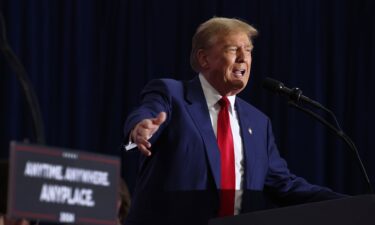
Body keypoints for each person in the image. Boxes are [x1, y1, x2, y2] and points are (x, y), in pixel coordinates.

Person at [123, 17, 345, 225]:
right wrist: (139, 128)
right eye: (232, 49)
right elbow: (148, 112)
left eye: (248, 51)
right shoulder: (172, 94)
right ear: (204, 58)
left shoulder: (259, 123)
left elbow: (284, 186)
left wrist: (349, 202)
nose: (244, 58)